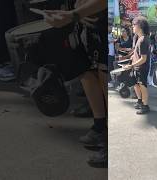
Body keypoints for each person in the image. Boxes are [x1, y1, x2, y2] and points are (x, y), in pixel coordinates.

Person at [44, 0, 107, 168]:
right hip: (88, 17)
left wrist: (77, 13)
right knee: (86, 70)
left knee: (105, 75)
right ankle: (100, 126)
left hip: (111, 17)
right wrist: (78, 10)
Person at [123, 16, 151, 114]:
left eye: (134, 25)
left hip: (141, 67)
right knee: (136, 84)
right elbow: (137, 53)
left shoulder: (143, 40)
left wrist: (131, 65)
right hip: (137, 66)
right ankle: (140, 101)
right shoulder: (139, 38)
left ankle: (145, 105)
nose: (132, 27)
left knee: (142, 85)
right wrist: (130, 58)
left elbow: (143, 59)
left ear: (140, 26)